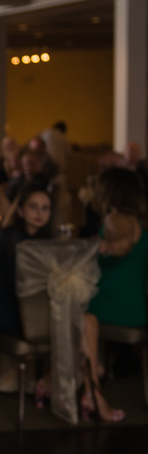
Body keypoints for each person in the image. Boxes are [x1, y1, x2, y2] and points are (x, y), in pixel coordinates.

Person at [82, 167, 147, 422]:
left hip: (113, 306)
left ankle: (90, 389)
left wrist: (106, 247)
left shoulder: (116, 217)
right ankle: (73, 379)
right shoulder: (138, 219)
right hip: (135, 305)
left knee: (72, 313)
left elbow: (124, 243)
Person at [0, 183, 54, 339]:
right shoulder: (12, 239)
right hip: (8, 315)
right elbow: (17, 286)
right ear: (20, 211)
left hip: (27, 310)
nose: (39, 213)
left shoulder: (38, 240)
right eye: (33, 207)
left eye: (45, 208)